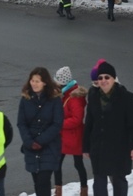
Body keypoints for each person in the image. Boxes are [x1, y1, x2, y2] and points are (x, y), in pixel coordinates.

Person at [83, 61, 133, 196]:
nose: (103, 80)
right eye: (100, 78)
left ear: (114, 78)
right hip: (99, 146)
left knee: (119, 180)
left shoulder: (126, 97)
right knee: (99, 181)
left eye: (107, 77)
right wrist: (86, 147)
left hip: (119, 147)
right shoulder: (93, 96)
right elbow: (89, 123)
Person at [17, 67, 64, 196]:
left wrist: (40, 141)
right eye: (32, 80)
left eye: (38, 81)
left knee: (44, 181)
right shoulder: (25, 99)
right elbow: (21, 123)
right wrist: (29, 141)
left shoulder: (54, 100)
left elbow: (57, 124)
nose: (34, 84)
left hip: (49, 146)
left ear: (45, 82)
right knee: (37, 182)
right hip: (31, 146)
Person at [53, 67, 89, 196]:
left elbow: (77, 119)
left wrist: (59, 124)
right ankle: (60, 190)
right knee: (59, 163)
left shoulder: (73, 97)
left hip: (73, 136)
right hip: (67, 136)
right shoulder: (68, 94)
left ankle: (83, 190)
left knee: (77, 164)